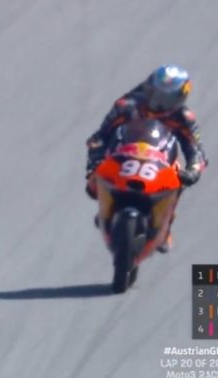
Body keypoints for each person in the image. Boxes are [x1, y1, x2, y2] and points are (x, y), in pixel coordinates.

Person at [84, 65, 208, 253]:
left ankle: (165, 226)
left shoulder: (183, 117)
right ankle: (105, 206)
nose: (157, 101)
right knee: (92, 185)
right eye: (155, 92)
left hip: (160, 160)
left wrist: (193, 170)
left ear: (178, 99)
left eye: (166, 98)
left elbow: (196, 149)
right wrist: (95, 160)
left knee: (177, 181)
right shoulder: (126, 106)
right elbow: (100, 136)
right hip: (124, 152)